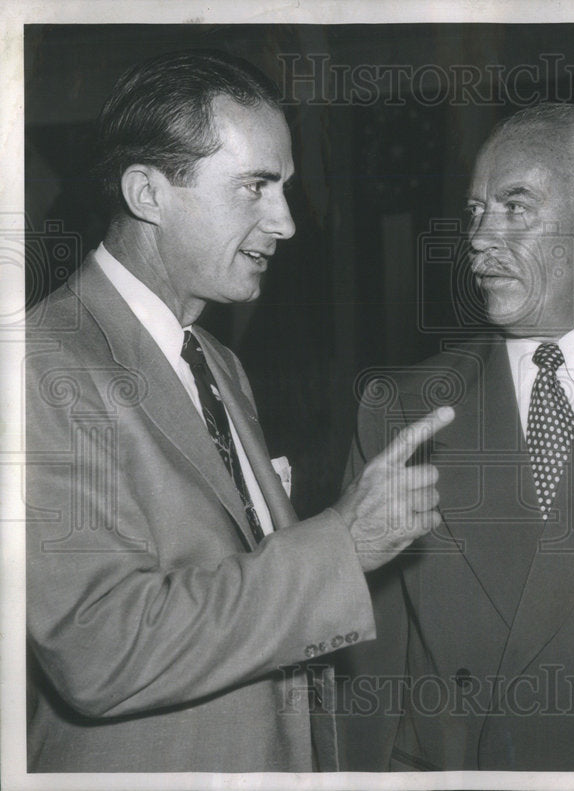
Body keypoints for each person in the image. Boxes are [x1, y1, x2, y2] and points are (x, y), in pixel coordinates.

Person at [25, 49, 452, 773]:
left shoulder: (215, 360)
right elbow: (100, 648)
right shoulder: (45, 363)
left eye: (283, 186)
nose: (285, 221)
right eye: (254, 187)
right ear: (147, 193)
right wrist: (340, 543)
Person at [331, 103, 574, 771]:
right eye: (476, 212)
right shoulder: (398, 411)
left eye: (515, 208)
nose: (479, 238)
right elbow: (369, 684)